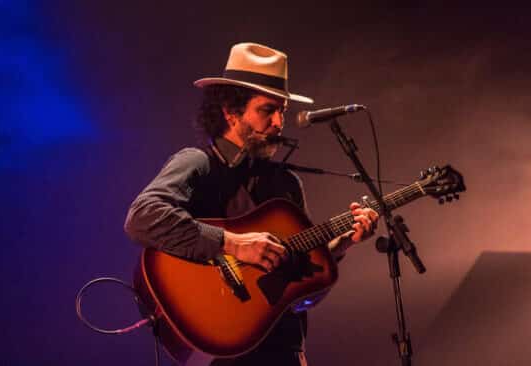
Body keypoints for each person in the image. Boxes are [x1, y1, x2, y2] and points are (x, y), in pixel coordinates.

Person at [124, 42, 379, 366]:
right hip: (221, 353)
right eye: (267, 110)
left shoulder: (286, 184)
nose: (278, 123)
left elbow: (300, 296)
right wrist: (231, 244)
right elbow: (142, 217)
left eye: (282, 111)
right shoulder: (197, 163)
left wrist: (338, 248)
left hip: (284, 351)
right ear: (231, 111)